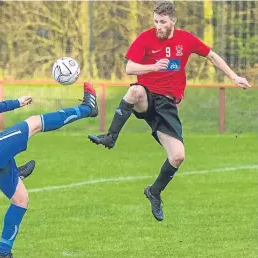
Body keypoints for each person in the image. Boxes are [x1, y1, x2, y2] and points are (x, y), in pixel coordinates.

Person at [88, 1, 251, 221]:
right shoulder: (146, 38)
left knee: (178, 155)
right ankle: (111, 137)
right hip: (147, 97)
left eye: (163, 22)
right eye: (156, 21)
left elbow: (212, 55)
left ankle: (154, 191)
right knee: (135, 91)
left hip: (167, 106)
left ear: (173, 20)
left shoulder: (186, 40)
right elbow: (129, 68)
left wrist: (234, 77)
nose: (158, 26)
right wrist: (153, 67)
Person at [0, 53, 98, 258]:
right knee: (35, 123)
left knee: (21, 199)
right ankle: (87, 109)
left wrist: (17, 102)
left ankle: (3, 252)